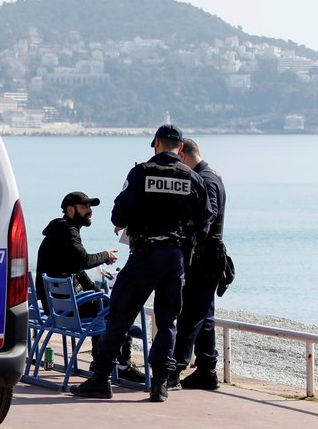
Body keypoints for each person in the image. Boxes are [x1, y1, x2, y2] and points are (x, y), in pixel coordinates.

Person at [71, 124, 213, 402]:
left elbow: (118, 216)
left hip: (144, 255)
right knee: (168, 319)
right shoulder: (193, 179)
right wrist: (187, 245)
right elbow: (205, 220)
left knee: (120, 314)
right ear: (180, 148)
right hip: (174, 257)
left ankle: (101, 379)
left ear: (156, 143)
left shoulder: (140, 173)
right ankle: (160, 384)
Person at [35, 192, 145, 383]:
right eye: (84, 207)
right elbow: (83, 261)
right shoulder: (68, 232)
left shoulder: (61, 231)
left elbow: (76, 268)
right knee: (119, 309)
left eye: (90, 207)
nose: (89, 211)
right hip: (66, 309)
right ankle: (121, 364)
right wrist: (105, 255)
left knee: (103, 303)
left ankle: (100, 361)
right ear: (70, 210)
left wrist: (96, 291)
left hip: (58, 306)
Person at [169, 138, 227, 391]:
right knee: (204, 316)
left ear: (183, 153)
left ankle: (176, 368)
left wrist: (186, 229)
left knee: (190, 313)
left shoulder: (204, 179)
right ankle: (207, 369)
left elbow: (209, 214)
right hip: (209, 256)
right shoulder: (212, 175)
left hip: (203, 257)